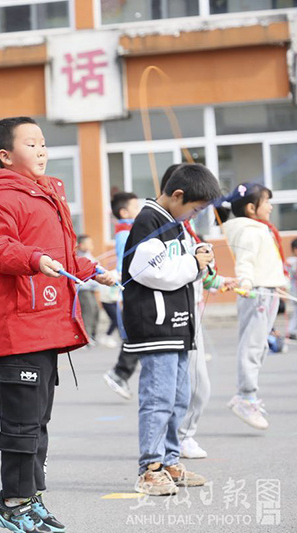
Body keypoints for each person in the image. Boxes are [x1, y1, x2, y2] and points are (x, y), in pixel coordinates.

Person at [0, 116, 114, 532]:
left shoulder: (47, 196)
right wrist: (32, 259)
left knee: (38, 424)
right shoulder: (2, 198)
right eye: (31, 144)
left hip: (46, 325)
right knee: (21, 426)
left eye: (44, 143)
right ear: (5, 155)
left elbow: (61, 255)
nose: (42, 150)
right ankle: (12, 504)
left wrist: (87, 270)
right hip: (18, 328)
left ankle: (30, 500)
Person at [122, 163, 220, 496]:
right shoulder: (149, 221)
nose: (194, 216)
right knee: (158, 398)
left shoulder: (172, 223)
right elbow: (152, 270)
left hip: (177, 325)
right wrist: (194, 263)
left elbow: (176, 264)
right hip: (155, 326)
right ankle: (150, 468)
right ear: (178, 196)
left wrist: (196, 256)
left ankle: (169, 459)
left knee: (179, 397)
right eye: (194, 209)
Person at [224, 183, 288, 430]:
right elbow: (246, 262)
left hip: (267, 290)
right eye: (267, 202)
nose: (271, 206)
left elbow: (264, 262)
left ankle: (247, 395)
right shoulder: (250, 231)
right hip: (257, 292)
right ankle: (245, 396)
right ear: (251, 208)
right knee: (252, 345)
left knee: (259, 345)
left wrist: (275, 284)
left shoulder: (258, 228)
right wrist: (248, 284)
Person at [103, 191, 140, 400]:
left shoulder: (127, 230)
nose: (139, 210)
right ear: (124, 211)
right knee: (136, 335)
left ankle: (124, 372)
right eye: (135, 207)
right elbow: (124, 262)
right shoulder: (125, 233)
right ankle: (119, 373)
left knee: (140, 334)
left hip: (129, 287)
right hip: (130, 288)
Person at [76, 235, 100, 346]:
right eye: (88, 243)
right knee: (88, 311)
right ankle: (86, 337)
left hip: (91, 289)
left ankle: (92, 335)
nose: (91, 246)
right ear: (81, 244)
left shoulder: (90, 256)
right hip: (83, 289)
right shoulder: (78, 257)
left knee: (95, 310)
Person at [286, 239, 297, 341]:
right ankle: (291, 331)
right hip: (294, 292)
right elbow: (287, 274)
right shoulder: (291, 261)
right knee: (296, 312)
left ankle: (292, 330)